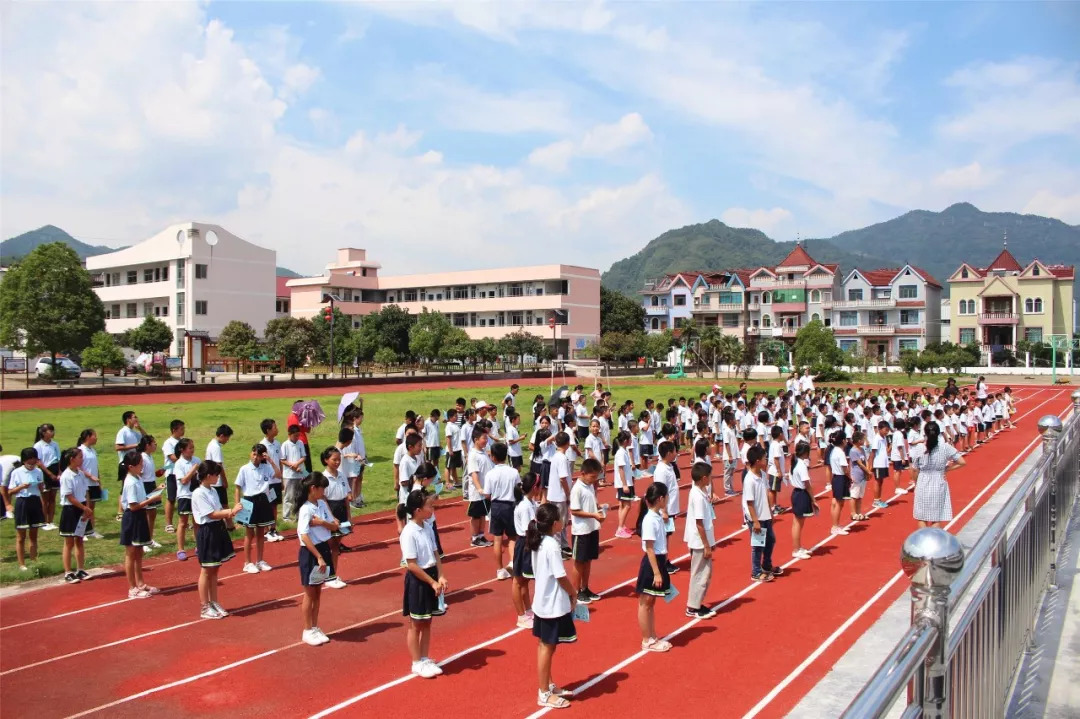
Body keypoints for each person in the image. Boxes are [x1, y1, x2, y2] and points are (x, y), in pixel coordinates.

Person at [528, 502, 578, 710]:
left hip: (543, 601)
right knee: (547, 647)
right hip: (551, 604)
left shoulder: (539, 541)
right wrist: (573, 593)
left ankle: (547, 684)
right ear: (555, 523)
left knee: (545, 645)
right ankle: (544, 692)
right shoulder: (551, 544)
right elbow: (560, 576)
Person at [400, 489, 449, 678]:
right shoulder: (409, 532)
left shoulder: (428, 527)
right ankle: (416, 662)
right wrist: (431, 582)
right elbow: (411, 564)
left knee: (427, 621)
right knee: (416, 623)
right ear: (418, 510)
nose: (432, 509)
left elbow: (436, 553)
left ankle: (424, 657)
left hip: (431, 576)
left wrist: (441, 576)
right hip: (419, 580)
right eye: (430, 506)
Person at [192, 460, 243, 619]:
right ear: (208, 476)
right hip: (207, 531)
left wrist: (231, 516)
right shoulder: (199, 493)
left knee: (215, 569)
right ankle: (204, 606)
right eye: (216, 475)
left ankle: (213, 601)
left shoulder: (212, 490)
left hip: (217, 530)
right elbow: (211, 514)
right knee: (206, 570)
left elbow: (218, 510)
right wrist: (232, 512)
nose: (218, 478)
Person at [296, 473, 337, 646]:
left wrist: (321, 523)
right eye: (322, 489)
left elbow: (335, 524)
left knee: (318, 592)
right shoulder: (306, 509)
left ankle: (315, 626)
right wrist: (319, 557)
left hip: (322, 548)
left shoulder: (321, 504)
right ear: (313, 489)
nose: (324, 492)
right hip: (311, 552)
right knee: (310, 593)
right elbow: (303, 535)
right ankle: (307, 629)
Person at [636, 482, 674, 652]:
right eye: (666, 497)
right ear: (660, 499)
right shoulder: (650, 520)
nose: (667, 500)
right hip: (652, 564)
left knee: (651, 602)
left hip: (658, 561)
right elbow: (649, 547)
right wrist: (657, 573)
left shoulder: (656, 516)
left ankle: (652, 636)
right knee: (645, 603)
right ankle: (647, 640)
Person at [119, 451, 162, 598]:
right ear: (131, 466)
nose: (142, 467)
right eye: (139, 465)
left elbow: (141, 498)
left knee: (139, 552)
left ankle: (141, 583)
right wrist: (151, 500)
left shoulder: (137, 478)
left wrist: (156, 491)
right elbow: (133, 506)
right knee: (131, 553)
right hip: (132, 517)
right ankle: (132, 587)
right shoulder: (130, 481)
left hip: (140, 516)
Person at [912, 423, 967, 528]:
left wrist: (916, 483)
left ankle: (924, 542)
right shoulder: (945, 447)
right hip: (939, 480)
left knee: (922, 516)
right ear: (938, 433)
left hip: (923, 481)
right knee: (936, 517)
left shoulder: (919, 448)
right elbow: (962, 462)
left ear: (925, 433)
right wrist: (947, 469)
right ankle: (934, 542)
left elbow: (915, 469)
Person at [684, 462, 718, 619]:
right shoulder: (697, 496)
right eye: (710, 476)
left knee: (704, 573)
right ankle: (692, 606)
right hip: (699, 542)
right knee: (700, 573)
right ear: (704, 478)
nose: (711, 478)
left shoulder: (700, 491)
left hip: (703, 540)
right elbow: (699, 523)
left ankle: (696, 603)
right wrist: (706, 545)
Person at [235, 444, 275, 574]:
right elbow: (238, 487)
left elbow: (278, 475)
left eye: (258, 455)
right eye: (254, 454)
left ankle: (260, 560)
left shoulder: (267, 467)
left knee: (260, 532)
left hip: (263, 500)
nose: (255, 457)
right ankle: (247, 562)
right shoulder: (244, 469)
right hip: (249, 501)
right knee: (249, 533)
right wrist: (237, 504)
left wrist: (270, 460)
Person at [569, 458, 605, 604]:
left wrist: (599, 507)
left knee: (588, 560)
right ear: (583, 473)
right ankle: (576, 591)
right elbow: (575, 510)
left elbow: (592, 502)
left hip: (592, 528)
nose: (594, 480)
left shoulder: (589, 486)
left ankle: (585, 588)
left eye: (596, 477)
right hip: (581, 531)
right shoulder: (577, 489)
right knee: (579, 562)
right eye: (592, 477)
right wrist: (593, 515)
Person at [743, 445, 780, 583]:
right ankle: (756, 572)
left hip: (765, 514)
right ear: (758, 461)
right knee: (758, 545)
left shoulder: (763, 475)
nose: (766, 460)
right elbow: (750, 502)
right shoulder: (749, 480)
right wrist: (755, 521)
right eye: (765, 458)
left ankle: (767, 564)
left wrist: (770, 513)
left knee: (771, 540)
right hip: (755, 517)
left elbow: (765, 494)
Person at [58, 447, 92, 583]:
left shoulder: (80, 473)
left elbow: (86, 492)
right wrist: (84, 507)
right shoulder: (66, 476)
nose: (82, 459)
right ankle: (68, 572)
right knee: (69, 542)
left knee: (79, 539)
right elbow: (70, 496)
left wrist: (87, 508)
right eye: (80, 457)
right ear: (72, 459)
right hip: (71, 510)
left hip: (82, 508)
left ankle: (80, 569)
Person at [7, 448, 45, 569]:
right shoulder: (16, 472)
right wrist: (21, 487)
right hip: (22, 502)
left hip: (35, 501)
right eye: (30, 460)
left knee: (33, 535)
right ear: (24, 461)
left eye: (34, 459)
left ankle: (34, 561)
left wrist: (40, 485)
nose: (32, 463)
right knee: (21, 536)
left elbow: (41, 489)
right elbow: (10, 491)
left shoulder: (38, 472)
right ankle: (22, 564)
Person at [319, 446, 350, 589]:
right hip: (329, 511)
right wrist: (331, 517)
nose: (337, 462)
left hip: (342, 511)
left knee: (336, 545)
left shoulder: (342, 475)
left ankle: (333, 574)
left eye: (339, 459)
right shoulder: (323, 478)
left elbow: (346, 497)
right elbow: (323, 500)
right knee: (330, 546)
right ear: (326, 460)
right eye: (334, 459)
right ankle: (328, 575)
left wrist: (349, 517)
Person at [512, 474, 540, 629]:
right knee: (518, 581)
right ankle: (521, 616)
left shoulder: (531, 502)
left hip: (528, 543)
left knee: (525, 580)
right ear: (535, 488)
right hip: (525, 544)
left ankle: (528, 610)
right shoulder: (524, 506)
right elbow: (528, 530)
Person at [172, 439, 200, 560]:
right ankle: (181, 549)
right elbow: (183, 481)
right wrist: (193, 470)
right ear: (182, 450)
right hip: (185, 495)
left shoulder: (197, 460)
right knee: (183, 523)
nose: (192, 450)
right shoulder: (179, 464)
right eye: (190, 448)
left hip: (196, 495)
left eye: (193, 447)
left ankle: (199, 546)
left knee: (197, 522)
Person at [466, 427, 494, 548]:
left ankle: (481, 535)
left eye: (487, 438)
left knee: (483, 514)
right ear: (476, 439)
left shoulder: (483, 452)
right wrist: (479, 489)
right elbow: (474, 473)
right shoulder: (473, 455)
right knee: (476, 516)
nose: (486, 440)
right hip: (478, 493)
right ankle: (474, 538)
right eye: (484, 438)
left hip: (486, 490)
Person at [547, 432, 574, 556]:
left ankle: (564, 545)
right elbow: (563, 478)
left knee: (563, 521)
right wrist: (568, 494)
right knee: (559, 522)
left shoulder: (556, 456)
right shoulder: (562, 458)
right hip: (559, 495)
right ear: (567, 443)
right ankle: (558, 549)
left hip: (555, 494)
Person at [259, 419, 285, 542]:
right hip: (267, 482)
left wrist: (282, 478)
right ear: (268, 430)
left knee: (274, 506)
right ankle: (265, 531)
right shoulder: (262, 446)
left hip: (277, 481)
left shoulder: (278, 444)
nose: (277, 429)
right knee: (266, 506)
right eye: (275, 427)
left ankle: (273, 529)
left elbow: (280, 461)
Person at [76, 429, 105, 539]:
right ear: (88, 437)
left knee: (92, 507)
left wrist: (99, 481)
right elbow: (78, 467)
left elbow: (95, 468)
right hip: (84, 483)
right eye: (94, 436)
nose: (96, 438)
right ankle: (82, 531)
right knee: (85, 507)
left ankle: (91, 530)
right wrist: (89, 476)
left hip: (93, 483)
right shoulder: (80, 450)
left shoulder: (92, 450)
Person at [789, 442, 815, 559]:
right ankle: (796, 549)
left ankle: (798, 547)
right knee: (798, 523)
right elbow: (807, 483)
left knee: (797, 523)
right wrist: (813, 499)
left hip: (797, 493)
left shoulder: (795, 463)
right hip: (801, 494)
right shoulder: (801, 465)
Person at [137, 435, 164, 550]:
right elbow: (140, 474)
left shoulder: (150, 456)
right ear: (147, 445)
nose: (156, 445)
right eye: (154, 443)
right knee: (146, 515)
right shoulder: (142, 457)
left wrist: (158, 472)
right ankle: (143, 541)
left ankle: (149, 539)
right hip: (145, 486)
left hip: (152, 485)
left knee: (152, 514)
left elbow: (150, 473)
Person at [204, 425, 234, 525]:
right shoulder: (216, 447)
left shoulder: (211, 444)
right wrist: (224, 480)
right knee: (224, 504)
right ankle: (230, 525)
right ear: (221, 436)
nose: (227, 440)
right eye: (227, 437)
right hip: (217, 481)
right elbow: (219, 465)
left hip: (213, 479)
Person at [33, 423, 60, 531]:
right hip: (45, 472)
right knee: (45, 499)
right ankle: (44, 521)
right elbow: (39, 462)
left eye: (53, 430)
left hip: (54, 470)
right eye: (50, 431)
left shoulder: (55, 444)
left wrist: (58, 472)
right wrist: (49, 474)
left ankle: (51, 521)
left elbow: (58, 459)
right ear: (43, 433)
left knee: (52, 498)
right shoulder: (38, 446)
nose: (53, 433)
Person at [161, 419, 185, 536]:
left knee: (184, 497)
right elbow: (172, 457)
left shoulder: (183, 441)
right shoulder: (168, 443)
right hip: (171, 473)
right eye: (181, 429)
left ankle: (184, 520)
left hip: (182, 473)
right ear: (174, 430)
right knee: (171, 498)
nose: (183, 431)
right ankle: (169, 523)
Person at [611, 430, 635, 539]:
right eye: (629, 439)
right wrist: (625, 485)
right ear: (626, 441)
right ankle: (620, 528)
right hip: (624, 483)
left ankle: (622, 525)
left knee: (622, 505)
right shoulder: (621, 453)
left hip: (625, 482)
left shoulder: (623, 451)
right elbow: (621, 469)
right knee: (627, 505)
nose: (631, 441)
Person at [827, 431, 851, 536]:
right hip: (840, 478)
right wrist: (850, 477)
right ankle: (835, 526)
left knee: (835, 502)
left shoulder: (834, 450)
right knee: (838, 503)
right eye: (845, 439)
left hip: (836, 477)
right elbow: (845, 468)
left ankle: (835, 524)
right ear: (842, 440)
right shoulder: (840, 452)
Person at [848, 431, 869, 522]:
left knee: (860, 495)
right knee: (854, 495)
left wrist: (867, 472)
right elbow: (859, 464)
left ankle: (859, 512)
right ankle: (853, 513)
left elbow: (866, 461)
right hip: (856, 475)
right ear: (859, 440)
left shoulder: (862, 449)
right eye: (863, 439)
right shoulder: (853, 451)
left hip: (863, 475)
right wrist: (868, 472)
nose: (865, 441)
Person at [443, 408, 461, 491]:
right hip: (452, 450)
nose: (456, 417)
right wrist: (450, 450)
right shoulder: (449, 426)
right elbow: (448, 439)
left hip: (457, 449)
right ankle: (447, 483)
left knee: (453, 467)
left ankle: (456, 481)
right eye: (455, 416)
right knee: (448, 467)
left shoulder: (455, 425)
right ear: (450, 417)